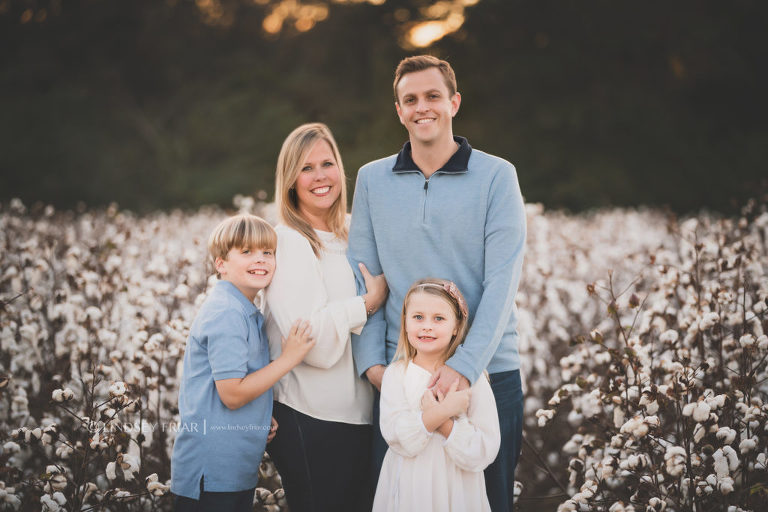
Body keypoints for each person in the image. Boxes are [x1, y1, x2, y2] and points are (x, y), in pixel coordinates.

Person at [349, 55, 526, 511]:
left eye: (432, 96)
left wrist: (463, 365)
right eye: (410, 99)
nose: (422, 107)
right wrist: (373, 365)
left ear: (454, 102)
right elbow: (365, 281)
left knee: (486, 500)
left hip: (487, 372)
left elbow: (503, 282)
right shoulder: (371, 179)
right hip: (401, 376)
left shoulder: (497, 176)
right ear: (399, 110)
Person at [263, 123, 388, 511]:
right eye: (306, 168)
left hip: (361, 415)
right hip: (310, 416)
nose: (320, 176)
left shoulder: (354, 232)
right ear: (290, 181)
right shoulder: (289, 241)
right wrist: (367, 303)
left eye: (327, 163)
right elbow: (309, 341)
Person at [171, 213, 316, 512]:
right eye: (247, 252)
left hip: (231, 469)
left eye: (268, 252)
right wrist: (289, 358)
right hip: (211, 472)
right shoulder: (226, 313)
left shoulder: (246, 310)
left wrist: (260, 413)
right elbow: (233, 393)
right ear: (221, 263)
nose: (260, 259)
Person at [372, 278, 500, 512]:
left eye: (438, 318)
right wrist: (443, 411)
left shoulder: (473, 379)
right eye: (418, 317)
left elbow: (484, 449)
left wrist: (445, 426)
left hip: (457, 492)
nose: (427, 326)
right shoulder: (396, 375)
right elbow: (397, 437)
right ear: (405, 322)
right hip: (411, 491)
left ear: (455, 326)